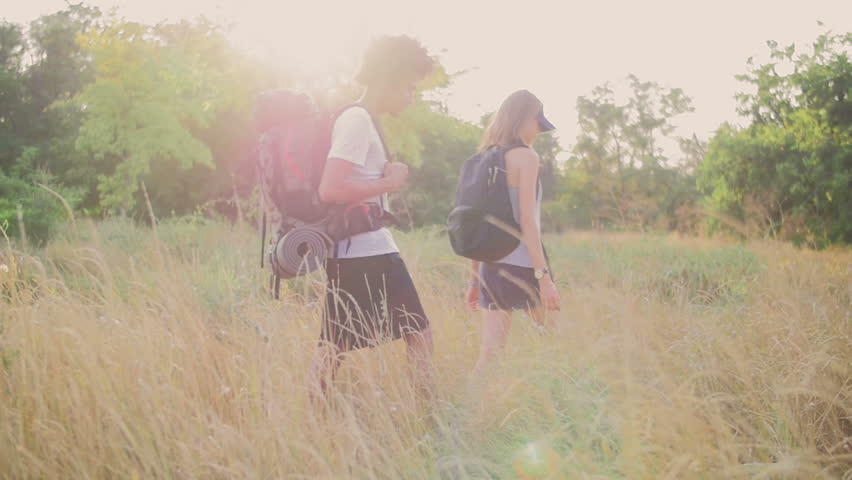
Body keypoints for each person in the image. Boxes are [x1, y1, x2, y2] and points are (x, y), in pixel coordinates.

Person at [312, 35, 435, 403]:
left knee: (334, 346)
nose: (412, 96)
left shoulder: (364, 120)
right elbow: (330, 188)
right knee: (419, 334)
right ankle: (431, 419)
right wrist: (390, 181)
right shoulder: (356, 120)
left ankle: (314, 413)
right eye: (410, 86)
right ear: (392, 78)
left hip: (362, 248)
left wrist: (382, 180)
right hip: (363, 250)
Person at [465, 90, 562, 379]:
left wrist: (474, 279)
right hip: (523, 264)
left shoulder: (485, 158)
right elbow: (527, 222)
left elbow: (477, 222)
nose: (539, 132)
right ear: (524, 119)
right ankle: (552, 411)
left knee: (490, 355)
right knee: (552, 346)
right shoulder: (526, 157)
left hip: (491, 265)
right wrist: (543, 278)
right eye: (538, 124)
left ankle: (465, 419)